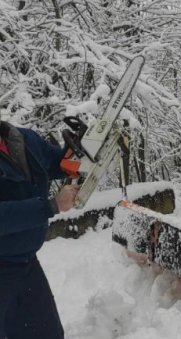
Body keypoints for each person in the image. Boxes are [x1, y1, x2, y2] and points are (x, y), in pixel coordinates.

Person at [0, 120, 79, 339]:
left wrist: (75, 151)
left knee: (48, 333)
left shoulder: (20, 138)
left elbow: (56, 163)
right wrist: (51, 206)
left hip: (26, 263)